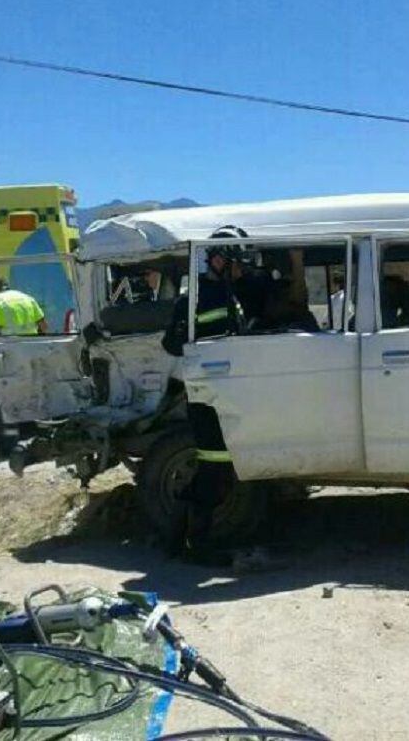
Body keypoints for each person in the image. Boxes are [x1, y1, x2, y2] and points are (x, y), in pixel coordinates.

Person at [162, 225, 250, 566]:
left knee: (217, 474)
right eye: (235, 262)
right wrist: (185, 334)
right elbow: (171, 345)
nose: (240, 269)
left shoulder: (229, 295)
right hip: (206, 398)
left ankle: (175, 540)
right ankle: (196, 547)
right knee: (215, 474)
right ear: (217, 260)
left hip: (227, 395)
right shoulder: (193, 298)